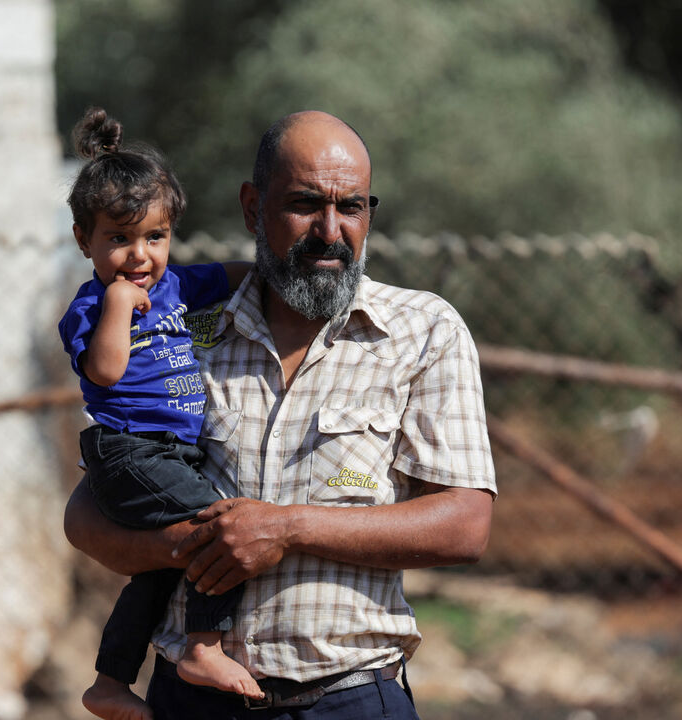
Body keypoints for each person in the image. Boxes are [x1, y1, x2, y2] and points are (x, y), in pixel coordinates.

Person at [64, 110, 497, 719]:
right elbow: (86, 518)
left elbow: (464, 525)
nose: (329, 229)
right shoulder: (186, 330)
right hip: (193, 703)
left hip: (350, 700)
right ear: (251, 208)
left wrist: (287, 528)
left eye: (352, 206)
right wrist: (195, 545)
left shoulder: (424, 332)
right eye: (303, 204)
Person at [57, 107, 259, 720]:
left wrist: (281, 271)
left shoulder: (177, 287)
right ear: (83, 240)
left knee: (163, 568)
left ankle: (110, 682)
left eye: (154, 237)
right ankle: (202, 645)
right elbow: (106, 372)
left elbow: (238, 275)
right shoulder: (91, 306)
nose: (139, 255)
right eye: (118, 239)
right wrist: (119, 303)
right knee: (225, 531)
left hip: (173, 453)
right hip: (128, 452)